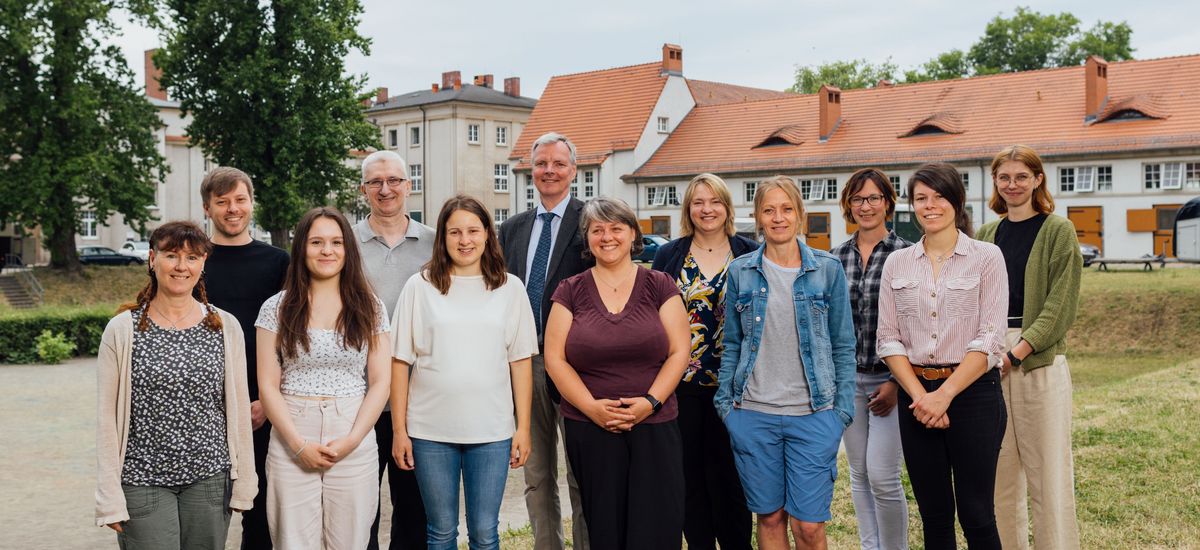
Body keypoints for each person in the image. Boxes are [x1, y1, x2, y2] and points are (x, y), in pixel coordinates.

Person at [95, 221, 256, 549]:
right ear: (152, 259)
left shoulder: (225, 326)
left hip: (210, 479)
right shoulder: (122, 330)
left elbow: (237, 408)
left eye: (193, 257)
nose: (182, 266)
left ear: (203, 264)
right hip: (143, 481)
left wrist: (244, 484)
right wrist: (108, 495)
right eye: (171, 255)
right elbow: (106, 420)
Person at [714, 175, 856, 550]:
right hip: (753, 413)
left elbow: (844, 344)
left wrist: (839, 412)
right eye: (769, 210)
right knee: (771, 517)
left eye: (787, 209)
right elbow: (732, 343)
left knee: (809, 526)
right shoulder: (741, 270)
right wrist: (728, 409)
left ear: (800, 215)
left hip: (813, 414)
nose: (778, 218)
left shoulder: (827, 269)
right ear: (758, 217)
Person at [389, 195, 537, 549]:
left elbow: (520, 361)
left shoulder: (509, 288)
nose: (465, 240)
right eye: (455, 232)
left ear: (488, 234)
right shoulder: (419, 287)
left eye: (473, 230)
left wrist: (524, 428)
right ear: (442, 237)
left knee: (485, 533)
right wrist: (399, 431)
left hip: (492, 430)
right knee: (440, 532)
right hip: (429, 431)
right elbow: (399, 362)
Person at [543, 196, 690, 549]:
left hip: (654, 425)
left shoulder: (660, 284)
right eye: (597, 230)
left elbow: (679, 351)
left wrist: (650, 402)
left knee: (657, 524)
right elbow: (555, 359)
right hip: (591, 428)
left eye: (616, 228)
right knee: (605, 527)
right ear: (587, 239)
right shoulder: (570, 290)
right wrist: (592, 409)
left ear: (633, 234)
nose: (607, 237)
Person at [876, 163, 1008, 550]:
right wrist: (922, 397)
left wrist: (944, 395)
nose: (930, 206)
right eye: (921, 199)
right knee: (933, 515)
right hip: (915, 398)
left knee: (977, 513)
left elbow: (990, 337)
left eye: (939, 197)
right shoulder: (897, 262)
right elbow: (888, 338)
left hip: (974, 396)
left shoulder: (987, 257)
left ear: (957, 201)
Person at [256, 207, 391, 549]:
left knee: (350, 541)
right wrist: (297, 445)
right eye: (316, 242)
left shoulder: (370, 307)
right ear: (301, 249)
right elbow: (268, 385)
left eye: (335, 242)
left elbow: (380, 383)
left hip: (352, 431)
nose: (326, 250)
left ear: (348, 249)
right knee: (292, 541)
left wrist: (352, 439)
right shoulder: (277, 307)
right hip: (292, 430)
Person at [976, 145, 1082, 550]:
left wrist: (1017, 352)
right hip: (988, 355)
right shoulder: (986, 235)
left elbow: (1060, 304)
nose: (1012, 185)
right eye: (1004, 177)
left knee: (1047, 474)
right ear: (995, 183)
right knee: (998, 474)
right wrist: (986, 353)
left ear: (1038, 179)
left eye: (1022, 176)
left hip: (1037, 359)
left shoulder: (1058, 230)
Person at [650, 173, 755, 550]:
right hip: (683, 388)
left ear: (727, 207)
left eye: (714, 201)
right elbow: (653, 317)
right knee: (688, 479)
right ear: (688, 209)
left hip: (738, 389)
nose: (706, 209)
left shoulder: (748, 251)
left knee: (733, 480)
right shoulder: (669, 255)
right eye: (698, 202)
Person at [497, 132, 592, 549]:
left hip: (577, 364)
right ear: (530, 170)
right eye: (541, 163)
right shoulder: (512, 228)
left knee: (582, 471)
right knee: (535, 473)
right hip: (525, 363)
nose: (549, 170)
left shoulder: (591, 221)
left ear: (574, 170)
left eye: (558, 163)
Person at [199, 166, 290, 550]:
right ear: (208, 208)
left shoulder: (279, 263)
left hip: (263, 406)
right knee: (206, 513)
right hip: (205, 408)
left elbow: (293, 336)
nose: (232, 209)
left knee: (263, 517)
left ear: (252, 203)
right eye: (222, 202)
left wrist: (269, 401)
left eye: (240, 200)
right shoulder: (193, 262)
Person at [351, 150, 435, 550]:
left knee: (414, 507)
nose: (386, 190)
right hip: (357, 397)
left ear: (409, 184)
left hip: (417, 399)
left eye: (394, 180)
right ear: (363, 189)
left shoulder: (436, 242)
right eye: (376, 182)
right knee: (361, 506)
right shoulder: (343, 241)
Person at [830, 168, 912, 550]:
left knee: (883, 474)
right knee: (859, 473)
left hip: (892, 380)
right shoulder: (834, 259)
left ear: (888, 204)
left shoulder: (908, 255)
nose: (866, 206)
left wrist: (897, 383)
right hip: (849, 382)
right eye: (858, 199)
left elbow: (914, 325)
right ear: (849, 205)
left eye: (874, 198)